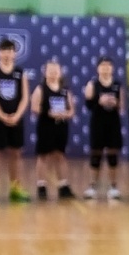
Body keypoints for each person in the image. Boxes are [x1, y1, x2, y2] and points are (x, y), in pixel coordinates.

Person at [0, 39, 30, 203]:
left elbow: (25, 97)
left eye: (10, 51)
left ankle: (16, 187)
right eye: (4, 51)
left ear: (15, 54)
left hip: (16, 118)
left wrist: (17, 114)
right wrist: (1, 114)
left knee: (16, 153)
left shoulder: (20, 72)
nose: (7, 54)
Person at [30, 59, 75, 200]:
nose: (53, 74)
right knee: (43, 156)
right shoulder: (40, 89)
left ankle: (63, 186)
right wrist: (49, 113)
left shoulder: (65, 91)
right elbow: (34, 108)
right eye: (50, 71)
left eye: (56, 71)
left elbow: (71, 110)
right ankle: (41, 186)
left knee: (60, 155)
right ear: (45, 73)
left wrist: (66, 114)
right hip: (46, 125)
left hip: (61, 126)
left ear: (60, 73)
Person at [83, 57, 124, 200]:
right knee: (96, 154)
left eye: (108, 66)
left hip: (113, 122)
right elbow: (88, 105)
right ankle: (92, 186)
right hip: (98, 123)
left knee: (113, 155)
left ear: (112, 68)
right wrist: (99, 101)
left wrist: (116, 103)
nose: (106, 68)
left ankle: (113, 186)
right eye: (103, 66)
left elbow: (122, 106)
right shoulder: (93, 84)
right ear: (98, 68)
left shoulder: (118, 85)